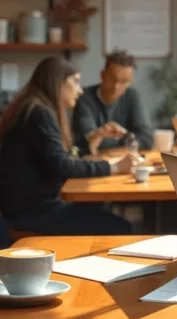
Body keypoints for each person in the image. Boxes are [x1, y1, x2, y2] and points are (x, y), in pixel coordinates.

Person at [0, 57, 139, 235]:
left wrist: (94, 138)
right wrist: (115, 166)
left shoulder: (34, 107)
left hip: (28, 209)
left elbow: (60, 156)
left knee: (99, 210)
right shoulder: (39, 113)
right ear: (58, 83)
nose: (80, 90)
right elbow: (62, 165)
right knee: (121, 227)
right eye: (75, 82)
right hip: (33, 214)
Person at [72, 50, 154, 156]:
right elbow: (88, 141)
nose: (116, 87)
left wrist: (112, 136)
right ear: (102, 75)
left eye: (124, 82)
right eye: (112, 79)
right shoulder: (84, 98)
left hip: (124, 162)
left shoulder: (132, 96)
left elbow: (147, 140)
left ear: (130, 82)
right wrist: (128, 139)